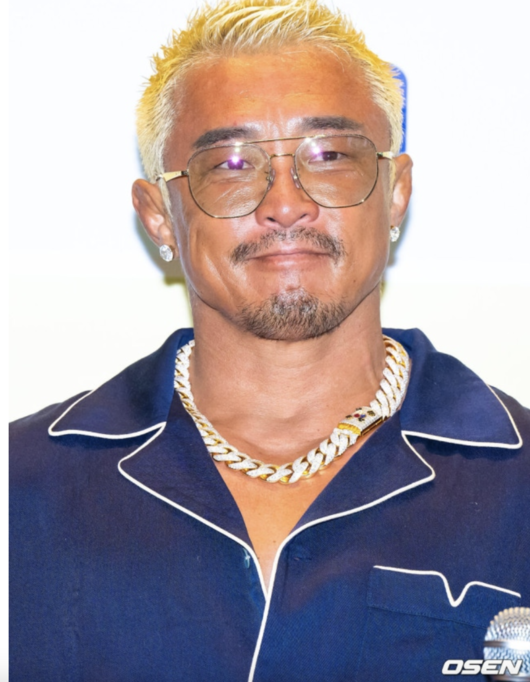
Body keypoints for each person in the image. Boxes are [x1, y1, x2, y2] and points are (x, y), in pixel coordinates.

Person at [10, 1, 530, 680]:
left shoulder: (519, 482)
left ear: (396, 193)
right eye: (230, 164)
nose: (285, 204)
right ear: (159, 216)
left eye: (330, 156)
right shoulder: (21, 485)